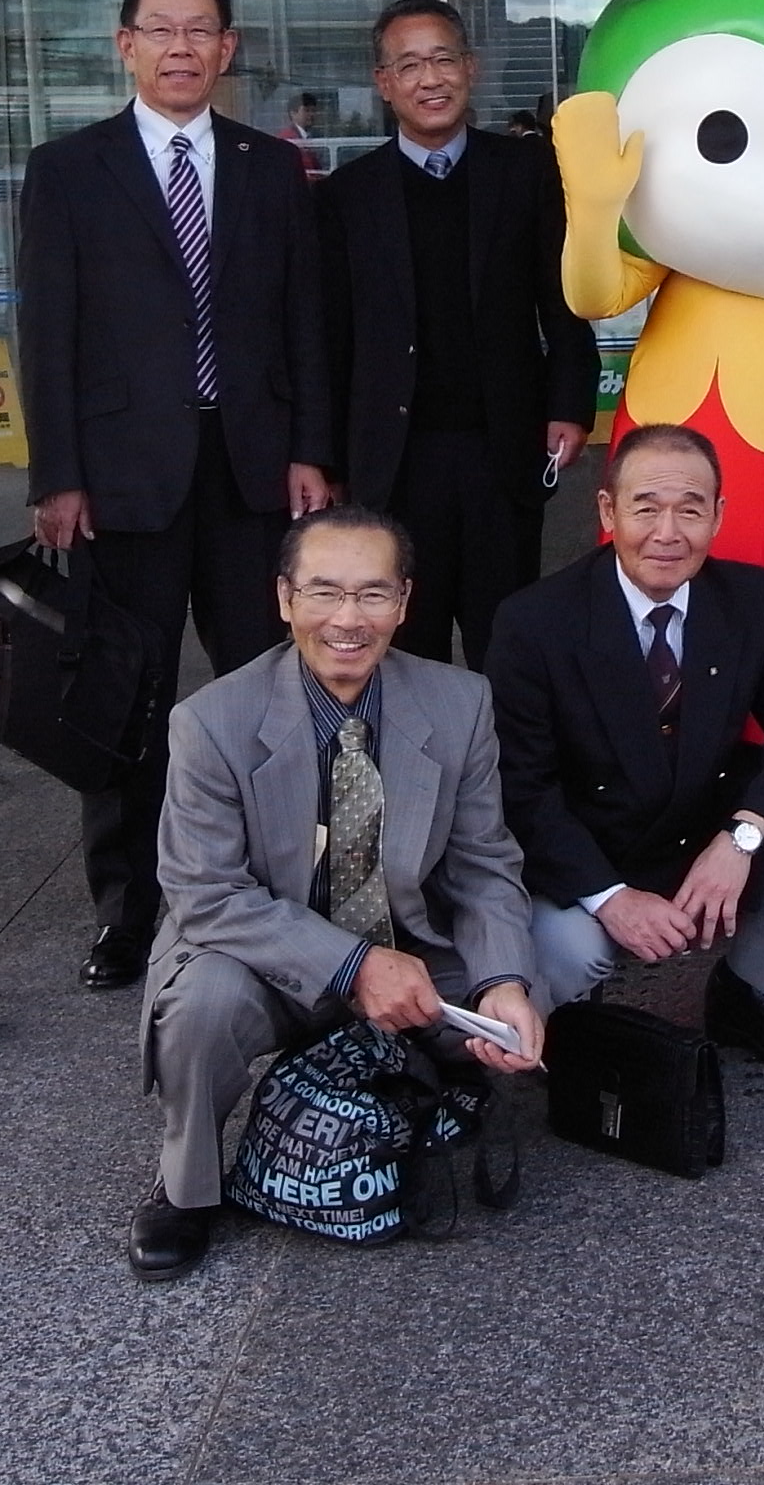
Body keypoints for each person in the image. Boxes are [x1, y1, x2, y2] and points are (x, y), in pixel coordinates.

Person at [19, 0, 335, 992]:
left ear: (228, 49)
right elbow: (48, 332)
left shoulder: (269, 168)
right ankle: (129, 909)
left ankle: (274, 888)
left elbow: (304, 321)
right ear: (126, 45)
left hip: (250, 474)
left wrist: (309, 451)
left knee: (264, 692)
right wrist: (58, 474)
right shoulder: (70, 169)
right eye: (161, 30)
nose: (181, 48)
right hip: (122, 479)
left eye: (201, 31)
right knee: (129, 699)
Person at [130, 506, 543, 1279]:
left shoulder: (460, 704)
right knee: (202, 1006)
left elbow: (485, 864)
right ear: (284, 598)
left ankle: (429, 1077)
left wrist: (505, 984)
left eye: (373, 595)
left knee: (524, 985)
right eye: (324, 593)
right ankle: (185, 1186)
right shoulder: (211, 723)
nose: (348, 620)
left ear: (405, 601)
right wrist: (352, 967)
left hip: (409, 940)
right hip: (262, 950)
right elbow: (207, 893)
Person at [483, 422, 764, 1072]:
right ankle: (579, 1031)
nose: (668, 532)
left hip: (704, 830)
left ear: (718, 516)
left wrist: (741, 838)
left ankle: (755, 995)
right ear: (607, 511)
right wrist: (612, 898)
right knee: (566, 952)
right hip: (594, 850)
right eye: (646, 507)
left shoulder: (750, 598)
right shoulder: (534, 621)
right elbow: (522, 788)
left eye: (690, 509)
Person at [318, 0, 597, 672]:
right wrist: (324, 457)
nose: (429, 79)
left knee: (505, 635)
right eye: (409, 65)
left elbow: (562, 299)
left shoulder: (526, 172)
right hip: (393, 458)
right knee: (405, 636)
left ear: (470, 69)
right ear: (385, 84)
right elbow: (329, 337)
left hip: (499, 445)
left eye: (443, 59)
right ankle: (419, 777)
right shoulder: (344, 196)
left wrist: (569, 402)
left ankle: (505, 777)